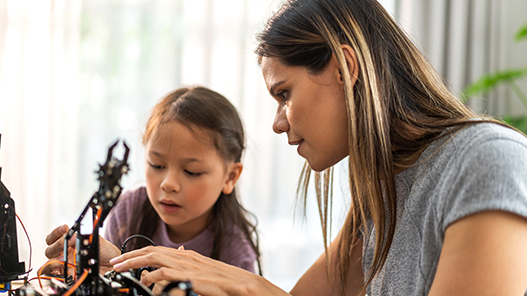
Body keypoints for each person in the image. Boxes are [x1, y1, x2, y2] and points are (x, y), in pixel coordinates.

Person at [77, 0, 527, 295]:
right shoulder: (381, 200)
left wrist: (245, 285)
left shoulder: (487, 160)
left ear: (345, 67)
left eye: (284, 94)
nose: (276, 123)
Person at [42, 86, 261, 279]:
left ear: (230, 177)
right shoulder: (128, 212)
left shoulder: (236, 254)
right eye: (156, 165)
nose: (168, 184)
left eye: (191, 171)